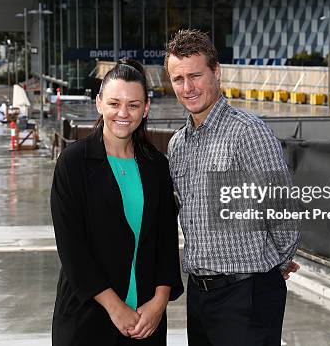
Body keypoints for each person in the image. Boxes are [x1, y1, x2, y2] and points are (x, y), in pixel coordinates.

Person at [165, 29, 300, 346]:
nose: (188, 87)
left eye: (196, 76)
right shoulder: (177, 145)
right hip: (199, 295)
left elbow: (283, 210)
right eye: (178, 79)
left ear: (216, 72)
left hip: (246, 295)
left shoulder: (247, 131)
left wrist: (271, 267)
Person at [50, 59, 184, 346]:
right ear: (99, 103)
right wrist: (115, 307)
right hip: (89, 319)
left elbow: (165, 242)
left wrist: (159, 303)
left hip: (146, 321)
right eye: (114, 103)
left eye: (133, 105)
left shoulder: (157, 166)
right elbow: (72, 248)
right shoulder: (73, 163)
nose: (123, 113)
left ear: (146, 108)